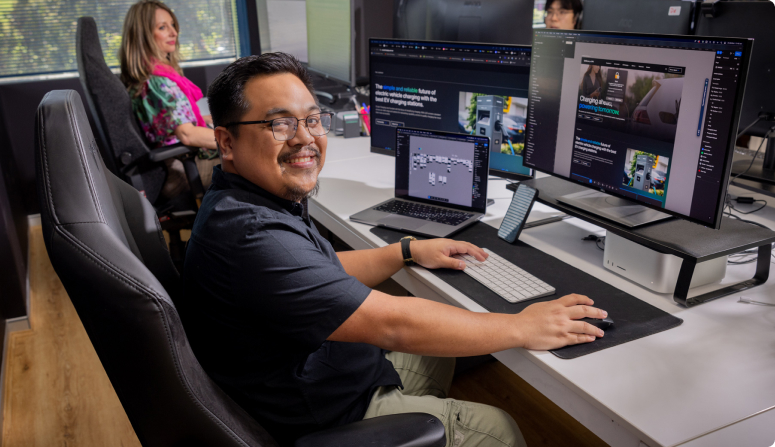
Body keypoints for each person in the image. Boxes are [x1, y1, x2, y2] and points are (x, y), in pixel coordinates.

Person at [179, 52, 608, 447]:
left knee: (437, 347)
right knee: (498, 430)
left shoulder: (245, 199)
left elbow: (317, 270)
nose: (304, 138)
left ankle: (418, 422)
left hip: (320, 372)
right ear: (227, 142)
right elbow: (392, 325)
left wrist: (405, 251)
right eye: (280, 124)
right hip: (322, 413)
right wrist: (521, 326)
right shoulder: (252, 234)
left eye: (312, 120)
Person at [119, 0, 219, 199]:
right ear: (143, 35)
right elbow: (187, 134)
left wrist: (212, 121)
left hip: (182, 159)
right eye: (162, 27)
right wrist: (238, 141)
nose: (174, 32)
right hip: (181, 168)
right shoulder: (157, 82)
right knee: (257, 163)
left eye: (173, 25)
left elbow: (175, 122)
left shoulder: (150, 74)